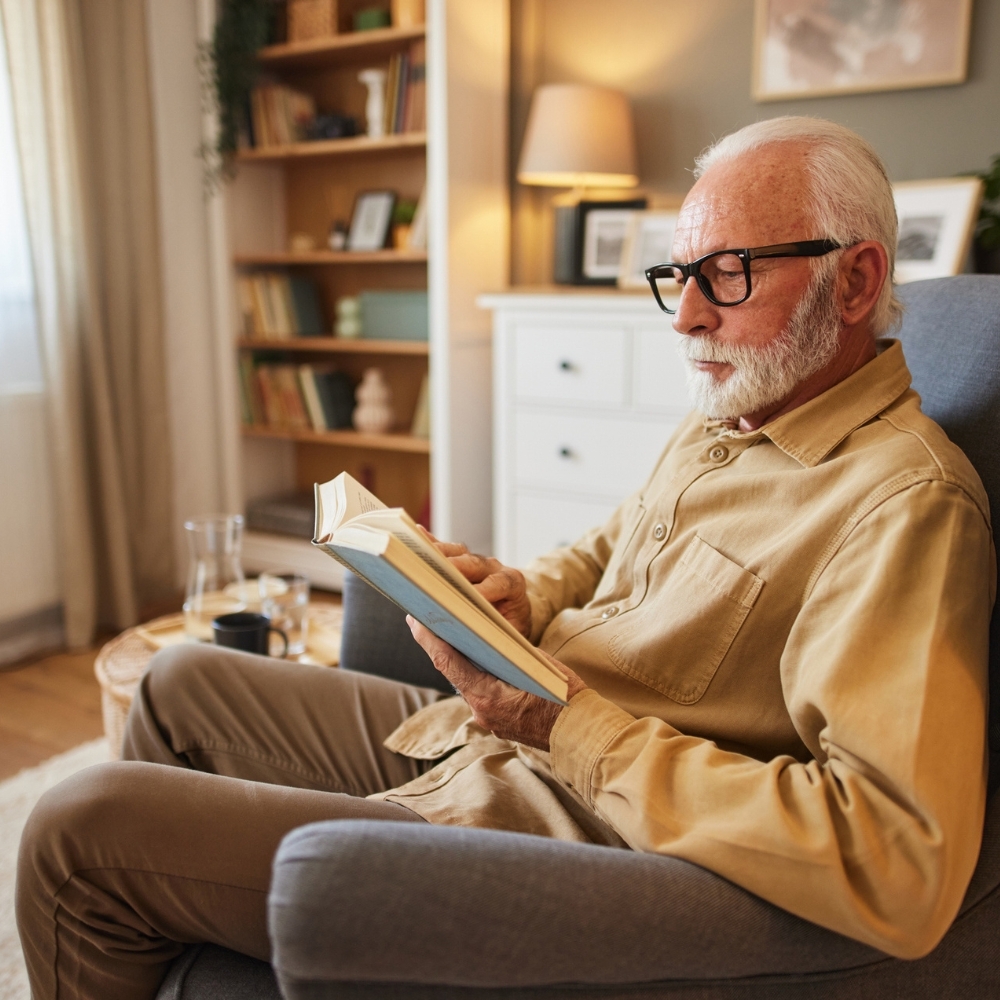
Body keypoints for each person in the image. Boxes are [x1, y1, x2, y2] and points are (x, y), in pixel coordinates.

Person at [17, 116, 995, 1000]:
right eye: (677, 274)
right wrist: (522, 590)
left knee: (82, 828)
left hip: (558, 830)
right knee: (183, 682)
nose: (686, 316)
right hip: (495, 743)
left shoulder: (902, 510)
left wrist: (565, 724)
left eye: (728, 274)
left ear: (857, 280)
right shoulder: (741, 413)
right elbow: (609, 545)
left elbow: (894, 861)